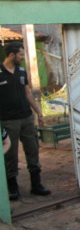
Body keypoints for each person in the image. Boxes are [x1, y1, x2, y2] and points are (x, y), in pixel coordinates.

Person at [0, 42, 51, 200]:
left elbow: (27, 93)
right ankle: (13, 188)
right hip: (9, 121)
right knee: (11, 154)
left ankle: (36, 185)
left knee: (32, 149)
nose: (22, 58)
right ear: (11, 55)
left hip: (27, 118)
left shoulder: (21, 72)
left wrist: (39, 112)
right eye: (21, 55)